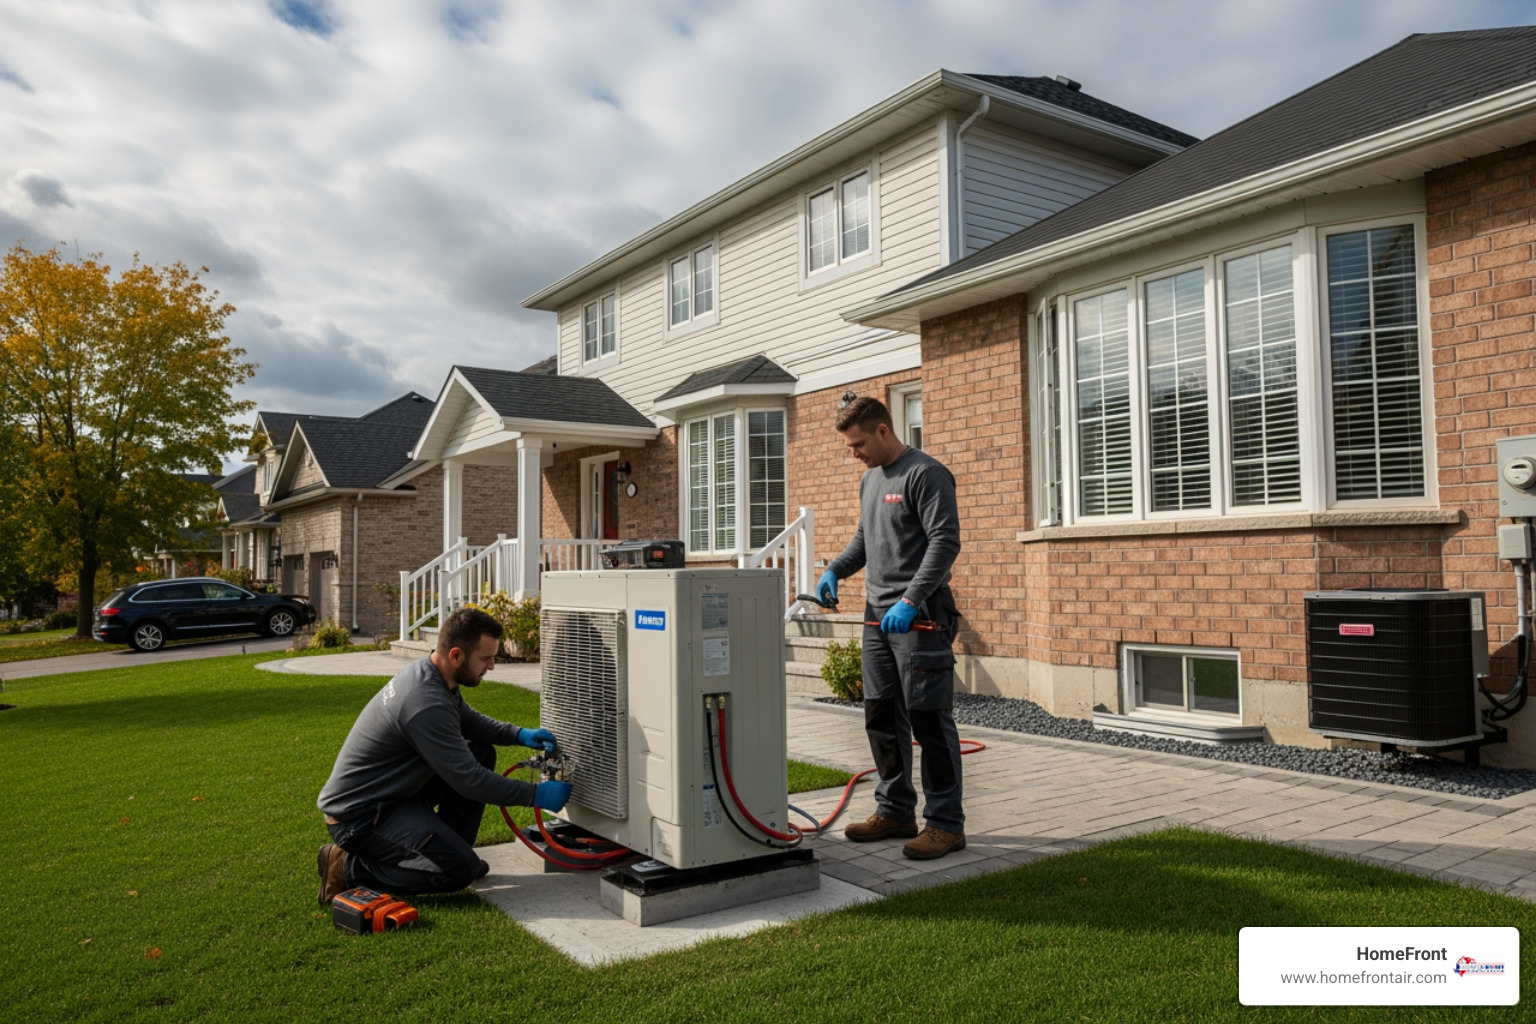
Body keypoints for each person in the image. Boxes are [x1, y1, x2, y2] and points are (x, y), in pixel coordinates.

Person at [314, 607, 571, 904]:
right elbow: (469, 780)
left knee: (480, 752)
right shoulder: (425, 702)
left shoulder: (433, 675)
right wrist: (535, 794)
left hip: (393, 797)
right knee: (458, 872)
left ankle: (452, 852)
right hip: (360, 818)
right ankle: (346, 867)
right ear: (456, 656)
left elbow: (468, 722)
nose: (491, 666)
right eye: (485, 658)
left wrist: (518, 734)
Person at [819, 395, 965, 860]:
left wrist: (910, 598)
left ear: (883, 431)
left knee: (928, 720)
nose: (853, 452)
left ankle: (945, 824)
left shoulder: (925, 473)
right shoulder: (870, 481)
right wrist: (835, 571)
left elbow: (945, 542)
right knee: (881, 716)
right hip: (876, 618)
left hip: (919, 616)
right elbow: (866, 539)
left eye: (858, 443)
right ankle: (896, 808)